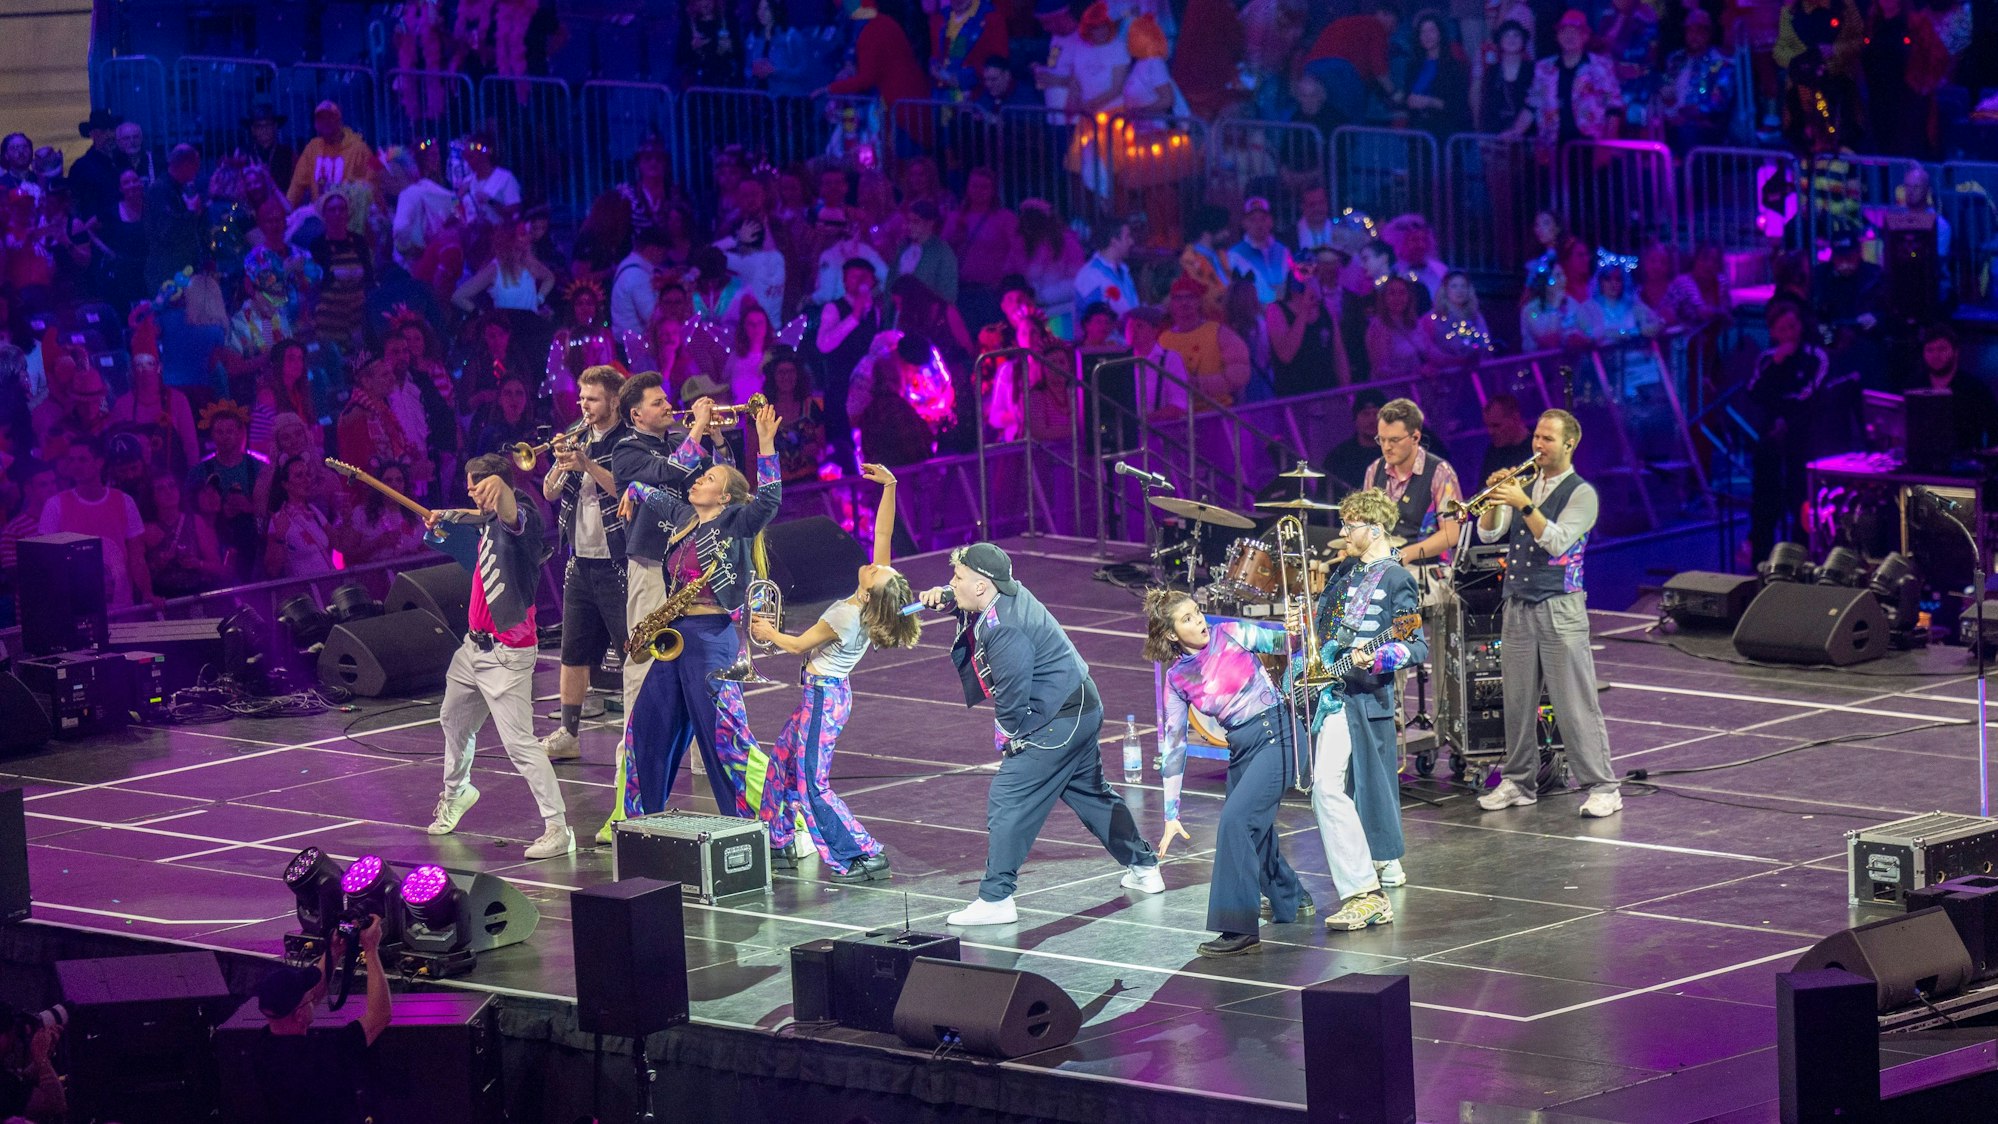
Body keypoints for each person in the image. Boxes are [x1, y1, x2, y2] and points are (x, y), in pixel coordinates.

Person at [917, 543, 1164, 926]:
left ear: (982, 586)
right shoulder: (1007, 591)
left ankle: (997, 898)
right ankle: (1145, 867)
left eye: (958, 578)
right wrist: (950, 599)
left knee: (1009, 797)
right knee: (1091, 795)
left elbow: (1013, 695)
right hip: (1081, 704)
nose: (951, 583)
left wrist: (1008, 737)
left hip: (1058, 719)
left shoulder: (1005, 628)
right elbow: (976, 599)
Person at [617, 403, 784, 823]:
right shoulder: (686, 516)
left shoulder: (736, 521)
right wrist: (632, 491)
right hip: (676, 637)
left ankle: (767, 825)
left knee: (724, 738)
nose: (699, 479)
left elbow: (769, 499)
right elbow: (649, 492)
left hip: (713, 638)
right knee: (648, 728)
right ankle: (639, 823)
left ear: (724, 496)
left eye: (708, 478)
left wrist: (765, 445)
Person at [751, 464, 915, 880]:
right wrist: (891, 486)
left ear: (872, 589)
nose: (878, 564)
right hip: (823, 695)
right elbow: (883, 535)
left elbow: (795, 646)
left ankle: (865, 852)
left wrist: (768, 630)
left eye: (880, 570)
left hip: (824, 698)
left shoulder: (847, 614)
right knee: (782, 763)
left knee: (811, 781)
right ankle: (778, 840)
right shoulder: (869, 598)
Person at [424, 453, 575, 859]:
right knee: (453, 719)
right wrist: (445, 518)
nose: (472, 490)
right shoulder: (486, 520)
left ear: (498, 483)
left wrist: (505, 491)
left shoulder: (520, 516)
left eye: (479, 483)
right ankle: (457, 792)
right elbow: (472, 518)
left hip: (506, 653)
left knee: (520, 745)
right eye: (469, 484)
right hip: (471, 648)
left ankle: (558, 828)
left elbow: (514, 514)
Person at [1474, 409, 1621, 819]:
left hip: (1560, 606)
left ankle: (1603, 786)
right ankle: (1519, 781)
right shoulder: (1525, 485)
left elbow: (1556, 542)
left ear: (1569, 444)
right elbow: (1488, 533)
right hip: (1519, 603)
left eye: (1548, 439)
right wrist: (1493, 500)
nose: (1538, 445)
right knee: (1518, 701)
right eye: (1536, 436)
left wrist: (1523, 504)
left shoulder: (1582, 493)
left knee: (1573, 701)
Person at [1148, 590, 1311, 956]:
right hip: (1243, 747)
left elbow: (1289, 644)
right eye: (1187, 618)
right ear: (1172, 634)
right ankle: (1292, 896)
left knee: (1236, 822)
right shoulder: (1177, 678)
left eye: (1198, 612)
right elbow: (1173, 746)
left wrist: (1297, 628)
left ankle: (1238, 928)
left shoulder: (1232, 633)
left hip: (1279, 734)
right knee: (1255, 828)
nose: (1200, 620)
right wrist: (1170, 814)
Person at [1305, 487, 1427, 931]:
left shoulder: (1398, 579)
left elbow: (1415, 643)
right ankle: (1377, 870)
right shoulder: (1347, 572)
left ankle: (1371, 877)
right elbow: (1325, 625)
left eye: (1349, 525)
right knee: (1344, 786)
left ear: (1372, 529)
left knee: (1355, 787)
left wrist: (1376, 657)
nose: (1342, 532)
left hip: (1368, 697)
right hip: (1338, 694)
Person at [539, 366, 630, 763]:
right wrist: (562, 463)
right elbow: (547, 491)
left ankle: (639, 732)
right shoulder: (576, 437)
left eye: (592, 399)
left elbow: (626, 490)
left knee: (634, 652)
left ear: (613, 400)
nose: (584, 407)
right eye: (581, 399)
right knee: (572, 651)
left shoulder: (629, 441)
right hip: (580, 560)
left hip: (619, 561)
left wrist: (587, 464)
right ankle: (568, 732)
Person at [249, 915, 390, 1124]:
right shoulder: (324, 1053)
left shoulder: (263, 1046)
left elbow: (310, 997)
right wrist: (371, 949)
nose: (313, 997)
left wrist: (333, 952)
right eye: (308, 999)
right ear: (299, 1016)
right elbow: (380, 1015)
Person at [1745, 301, 1831, 560]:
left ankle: (1800, 558)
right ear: (1773, 332)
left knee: (1800, 499)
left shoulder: (1816, 356)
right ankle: (1761, 560)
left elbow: (1808, 396)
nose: (1789, 334)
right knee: (1765, 501)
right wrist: (1778, 364)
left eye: (1793, 327)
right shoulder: (1766, 360)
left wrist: (1781, 407)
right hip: (1770, 438)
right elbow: (1755, 393)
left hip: (1802, 438)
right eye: (1782, 329)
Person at [40, 435, 156, 608]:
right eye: (72, 460)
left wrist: (147, 593)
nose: (76, 465)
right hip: (76, 607)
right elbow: (47, 560)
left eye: (82, 459)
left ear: (99, 462)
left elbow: (136, 556)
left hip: (121, 605)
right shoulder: (55, 505)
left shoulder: (125, 501)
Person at [1360, 397, 1462, 570]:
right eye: (1381, 440)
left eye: (1394, 440)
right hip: (1383, 569)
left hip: (1427, 571)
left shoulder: (1440, 472)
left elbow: (1451, 534)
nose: (1386, 447)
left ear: (1415, 437)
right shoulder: (1374, 470)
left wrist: (1407, 555)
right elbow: (1366, 525)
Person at [814, 258, 887, 469]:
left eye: (862, 277)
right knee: (842, 449)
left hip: (867, 390)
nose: (857, 282)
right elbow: (823, 345)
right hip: (840, 388)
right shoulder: (833, 308)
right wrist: (854, 317)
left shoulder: (875, 311)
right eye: (852, 277)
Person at [1900, 323, 1995, 458]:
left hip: (1965, 466)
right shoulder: (1914, 385)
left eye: (1942, 349)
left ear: (1956, 352)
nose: (1935, 355)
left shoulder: (1975, 389)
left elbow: (1994, 430)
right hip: (1920, 462)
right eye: (1929, 350)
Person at [286, 101, 377, 207]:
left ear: (339, 121)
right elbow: (297, 186)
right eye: (321, 119)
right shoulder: (312, 148)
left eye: (330, 117)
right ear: (315, 124)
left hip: (350, 216)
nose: (326, 122)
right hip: (320, 216)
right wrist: (287, 210)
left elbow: (372, 184)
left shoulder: (360, 149)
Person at [1227, 197, 1295, 306]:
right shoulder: (1234, 255)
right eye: (1253, 220)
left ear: (1271, 221)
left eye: (1263, 219)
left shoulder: (1283, 251)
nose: (1259, 224)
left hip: (1284, 314)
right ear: (1244, 224)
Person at [1320, 389, 1387, 497]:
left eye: (1377, 414)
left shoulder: (1398, 453)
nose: (1372, 419)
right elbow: (1324, 498)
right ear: (1355, 419)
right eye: (1366, 414)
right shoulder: (1338, 457)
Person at [1073, 216, 1138, 319]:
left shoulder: (1123, 270)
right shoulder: (1090, 275)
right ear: (1114, 241)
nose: (1132, 242)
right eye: (1127, 237)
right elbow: (1094, 322)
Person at [1479, 394, 1534, 481]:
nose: (1490, 432)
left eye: (1496, 425)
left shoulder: (1537, 445)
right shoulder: (1492, 453)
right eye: (1488, 426)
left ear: (1515, 418)